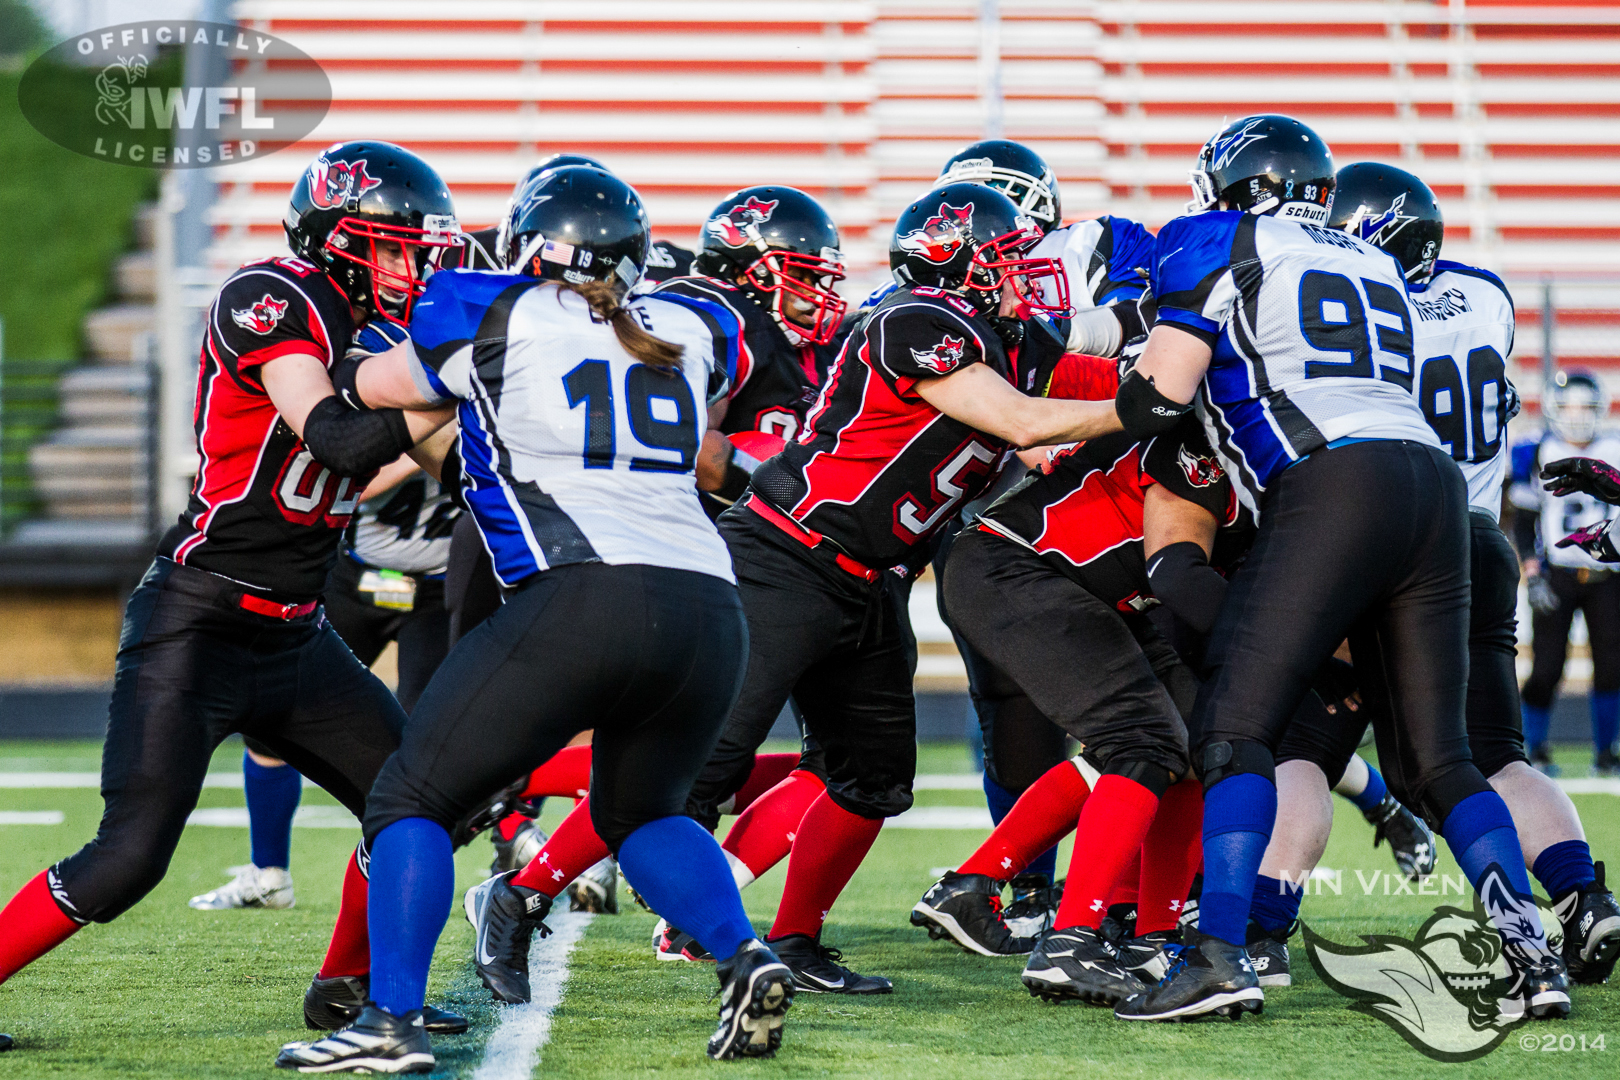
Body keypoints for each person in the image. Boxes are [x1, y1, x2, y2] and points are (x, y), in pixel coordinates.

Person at [276, 165, 796, 1071]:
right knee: (644, 811)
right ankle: (744, 955)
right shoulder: (696, 321)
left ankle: (389, 1023)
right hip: (711, 607)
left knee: (411, 798)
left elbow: (377, 392)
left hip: (583, 592)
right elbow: (746, 442)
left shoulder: (488, 308)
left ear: (529, 247)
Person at [0, 141, 470, 1053]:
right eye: (394, 247)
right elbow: (335, 437)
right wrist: (451, 385)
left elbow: (462, 471)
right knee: (127, 859)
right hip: (199, 618)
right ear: (338, 241)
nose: (413, 269)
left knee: (416, 801)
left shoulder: (385, 340)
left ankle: (347, 988)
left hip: (297, 636)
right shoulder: (274, 295)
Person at [1111, 115, 1568, 1023]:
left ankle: (1217, 955)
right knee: (1441, 760)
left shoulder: (1218, 237)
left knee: (1236, 727)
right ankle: (1532, 953)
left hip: (1337, 483)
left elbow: (1154, 400)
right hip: (1438, 491)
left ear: (1233, 182)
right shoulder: (1377, 264)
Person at [187, 320, 462, 914]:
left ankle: (487, 851)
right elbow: (347, 470)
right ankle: (268, 872)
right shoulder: (392, 384)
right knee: (270, 723)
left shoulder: (485, 393)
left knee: (427, 744)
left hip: (437, 587)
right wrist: (421, 442)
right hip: (359, 576)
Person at [1511, 369, 1620, 775]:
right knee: (1546, 668)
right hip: (1557, 572)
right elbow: (1524, 520)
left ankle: (1606, 754)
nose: (1577, 417)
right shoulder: (1536, 449)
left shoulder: (1614, 446)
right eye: (1569, 407)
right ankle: (1532, 750)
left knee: (1612, 667)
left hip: (1608, 574)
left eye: (1585, 407)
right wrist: (1532, 572)